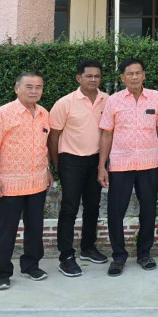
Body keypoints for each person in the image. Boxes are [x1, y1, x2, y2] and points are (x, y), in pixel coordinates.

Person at [98, 58, 158, 277]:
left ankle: (144, 253)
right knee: (115, 212)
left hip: (149, 163)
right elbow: (106, 134)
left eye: (138, 73)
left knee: (148, 210)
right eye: (130, 74)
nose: (135, 77)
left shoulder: (155, 97)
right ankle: (118, 256)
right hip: (121, 164)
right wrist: (102, 165)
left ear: (144, 75)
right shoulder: (113, 101)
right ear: (122, 78)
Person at [0, 72, 54, 290]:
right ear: (17, 88)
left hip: (37, 182)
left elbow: (43, 145)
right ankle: (1, 272)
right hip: (9, 184)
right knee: (5, 231)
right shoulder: (2, 114)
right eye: (29, 86)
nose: (34, 91)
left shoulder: (44, 113)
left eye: (38, 87)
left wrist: (48, 170)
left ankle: (31, 265)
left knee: (35, 228)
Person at [48, 60, 109, 277]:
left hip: (96, 161)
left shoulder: (107, 100)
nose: (93, 80)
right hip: (71, 161)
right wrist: (58, 164)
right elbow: (53, 136)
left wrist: (103, 164)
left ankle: (88, 247)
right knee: (69, 208)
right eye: (88, 76)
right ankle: (66, 256)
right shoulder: (65, 103)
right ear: (78, 78)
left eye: (97, 76)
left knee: (93, 206)